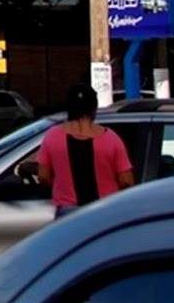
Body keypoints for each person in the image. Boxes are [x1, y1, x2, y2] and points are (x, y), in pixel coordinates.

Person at [37, 83, 134, 216]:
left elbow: (43, 176)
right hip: (104, 209)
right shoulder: (111, 138)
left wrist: (62, 186)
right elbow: (126, 181)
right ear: (94, 108)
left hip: (67, 211)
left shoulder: (52, 136)